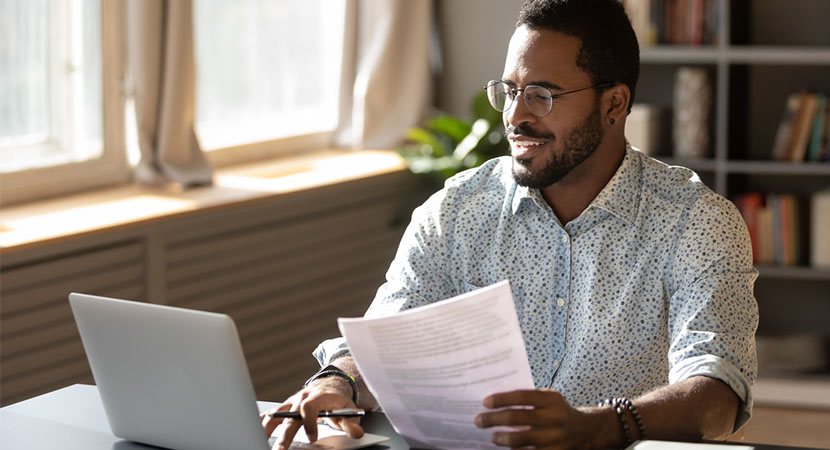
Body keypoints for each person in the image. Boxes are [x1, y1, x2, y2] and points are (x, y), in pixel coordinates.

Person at [262, 0, 759, 448]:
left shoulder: (697, 221)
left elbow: (718, 390)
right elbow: (384, 343)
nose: (516, 116)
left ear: (613, 104)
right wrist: (337, 382)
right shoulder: (457, 209)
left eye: (542, 95)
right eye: (510, 90)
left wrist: (599, 427)